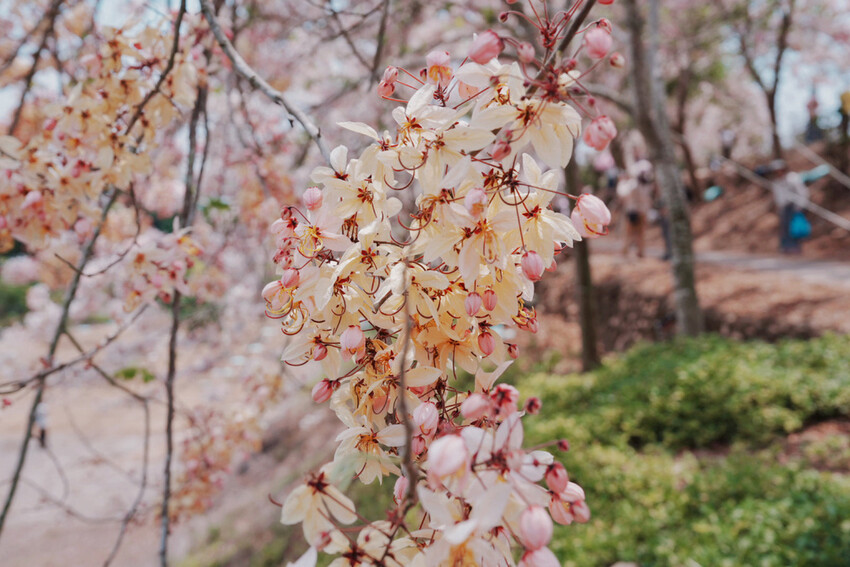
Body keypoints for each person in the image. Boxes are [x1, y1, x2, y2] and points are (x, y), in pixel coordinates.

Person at [770, 161, 810, 254]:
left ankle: (795, 247)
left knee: (794, 227)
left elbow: (802, 191)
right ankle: (786, 247)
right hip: (783, 207)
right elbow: (778, 197)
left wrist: (801, 205)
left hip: (794, 205)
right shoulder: (776, 182)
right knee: (784, 227)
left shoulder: (792, 178)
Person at [617, 160, 653, 258]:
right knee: (641, 233)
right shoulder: (647, 185)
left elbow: (623, 193)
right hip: (643, 212)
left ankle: (625, 251)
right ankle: (641, 252)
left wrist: (622, 182)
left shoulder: (633, 184)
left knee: (629, 233)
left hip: (633, 212)